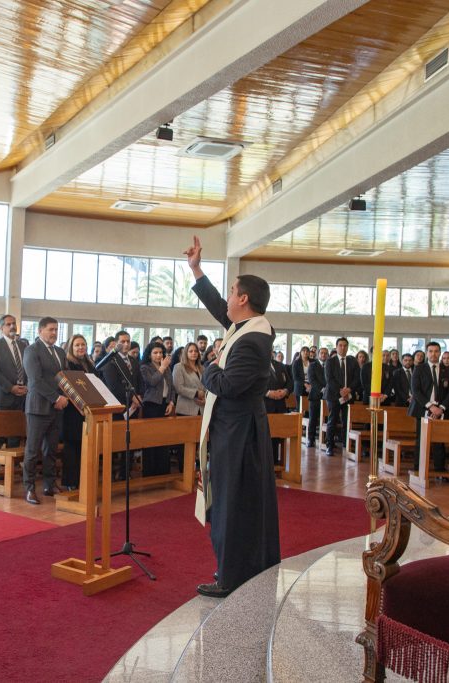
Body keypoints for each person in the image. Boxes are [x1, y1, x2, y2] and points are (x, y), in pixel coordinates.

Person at [184, 235, 279, 598]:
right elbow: (215, 305)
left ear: (243, 299)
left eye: (232, 291)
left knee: (231, 505)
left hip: (238, 434)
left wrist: (208, 367)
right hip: (237, 429)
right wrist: (196, 270)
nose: (227, 297)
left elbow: (227, 384)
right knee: (235, 501)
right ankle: (241, 567)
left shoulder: (252, 341)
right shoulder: (245, 328)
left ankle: (232, 576)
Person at [21, 317, 66, 504]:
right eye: (50, 329)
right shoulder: (32, 350)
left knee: (51, 450)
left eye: (56, 329)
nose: (54, 333)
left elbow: (64, 378)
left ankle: (49, 484)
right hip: (38, 408)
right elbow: (35, 381)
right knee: (33, 450)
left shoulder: (60, 352)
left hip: (56, 409)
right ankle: (29, 488)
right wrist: (56, 398)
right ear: (40, 331)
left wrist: (65, 397)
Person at [100, 329, 142, 481]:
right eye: (122, 341)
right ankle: (111, 474)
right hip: (118, 407)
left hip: (133, 407)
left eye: (128, 341)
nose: (126, 344)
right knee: (115, 442)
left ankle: (126, 472)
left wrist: (139, 396)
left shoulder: (134, 361)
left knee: (129, 441)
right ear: (116, 343)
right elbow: (113, 386)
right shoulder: (111, 361)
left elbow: (139, 381)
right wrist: (131, 397)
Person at [409, 341, 449, 471]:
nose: (433, 354)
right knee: (421, 440)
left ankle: (440, 470)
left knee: (439, 441)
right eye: (430, 351)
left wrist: (441, 408)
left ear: (440, 353)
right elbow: (416, 390)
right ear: (427, 353)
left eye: (436, 351)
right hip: (423, 409)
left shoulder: (448, 370)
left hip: (441, 410)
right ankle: (418, 469)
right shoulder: (419, 369)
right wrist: (430, 407)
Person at [0, 315, 28, 447]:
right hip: (3, 397)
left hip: (21, 397)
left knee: (15, 435)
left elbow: (27, 368)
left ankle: (13, 459)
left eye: (14, 323)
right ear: (1, 328)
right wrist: (11, 388)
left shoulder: (23, 346)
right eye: (8, 324)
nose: (12, 326)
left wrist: (26, 386)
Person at [61, 334, 94, 491]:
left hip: (88, 411)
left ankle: (83, 480)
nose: (81, 347)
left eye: (83, 344)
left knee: (84, 446)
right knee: (72, 447)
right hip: (73, 411)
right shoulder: (67, 364)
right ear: (71, 348)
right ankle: (71, 481)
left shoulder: (89, 364)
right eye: (77, 345)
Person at [140, 341, 175, 476]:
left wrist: (171, 402)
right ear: (149, 355)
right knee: (151, 439)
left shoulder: (167, 368)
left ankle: (162, 471)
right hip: (151, 405)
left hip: (164, 405)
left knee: (163, 439)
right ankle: (150, 472)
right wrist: (162, 368)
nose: (159, 355)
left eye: (161, 352)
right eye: (155, 353)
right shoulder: (145, 368)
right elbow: (152, 382)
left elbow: (171, 387)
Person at [324, 337, 359, 456]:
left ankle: (346, 444)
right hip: (333, 395)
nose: (343, 348)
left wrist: (349, 389)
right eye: (340, 345)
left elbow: (356, 378)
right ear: (336, 347)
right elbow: (329, 379)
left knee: (346, 421)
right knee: (332, 420)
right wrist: (340, 391)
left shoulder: (352, 361)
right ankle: (329, 445)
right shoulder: (330, 361)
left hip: (348, 395)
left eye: (345, 346)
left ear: (347, 347)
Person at [173, 342, 206, 418]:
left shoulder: (202, 368)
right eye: (191, 351)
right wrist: (196, 393)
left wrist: (205, 398)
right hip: (186, 408)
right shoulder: (179, 367)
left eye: (196, 351)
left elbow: (207, 386)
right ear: (186, 353)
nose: (194, 353)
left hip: (202, 408)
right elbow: (179, 388)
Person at [306, 348, 328, 447]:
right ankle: (311, 439)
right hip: (315, 395)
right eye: (322, 353)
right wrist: (322, 389)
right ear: (318, 354)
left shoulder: (329, 365)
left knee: (327, 419)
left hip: (327, 396)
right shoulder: (313, 365)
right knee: (313, 418)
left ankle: (326, 440)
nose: (323, 355)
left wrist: (327, 389)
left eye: (325, 353)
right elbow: (312, 379)